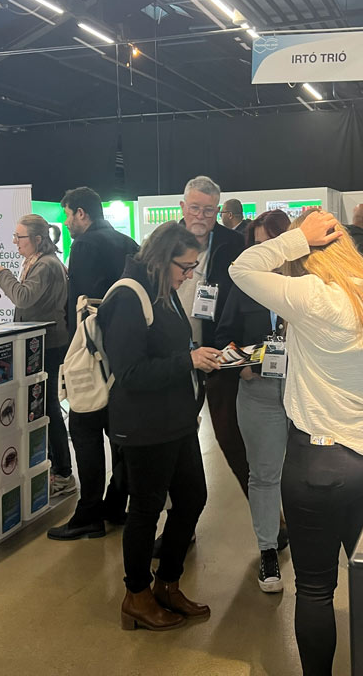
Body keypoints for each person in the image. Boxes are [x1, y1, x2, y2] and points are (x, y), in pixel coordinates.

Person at [229, 209, 363, 675]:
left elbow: (242, 268)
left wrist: (298, 240)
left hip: (317, 462)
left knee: (314, 590)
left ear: (310, 253)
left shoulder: (310, 296)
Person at [98, 222, 221, 632]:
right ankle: (136, 595)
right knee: (146, 510)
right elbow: (130, 372)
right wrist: (188, 361)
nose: (189, 275)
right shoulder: (128, 296)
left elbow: (171, 348)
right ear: (161, 259)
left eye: (193, 267)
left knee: (193, 498)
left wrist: (197, 358)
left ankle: (168, 584)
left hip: (176, 420)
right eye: (185, 267)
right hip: (144, 426)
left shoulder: (163, 292)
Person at [48, 187, 139, 539]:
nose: (67, 223)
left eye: (68, 215)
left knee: (84, 431)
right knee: (119, 435)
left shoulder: (85, 245)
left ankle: (88, 513)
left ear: (82, 213)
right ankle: (115, 504)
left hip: (92, 353)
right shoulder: (127, 242)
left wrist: (75, 355)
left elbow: (82, 307)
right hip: (123, 354)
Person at [214, 210, 292, 594]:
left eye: (272, 243)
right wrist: (242, 368)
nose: (265, 252)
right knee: (263, 474)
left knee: (307, 473)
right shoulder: (243, 287)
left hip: (304, 391)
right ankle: (267, 550)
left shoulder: (307, 284)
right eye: (258, 245)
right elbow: (223, 338)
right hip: (259, 392)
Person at [0, 215, 74, 497]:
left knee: (48, 408)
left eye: (19, 237)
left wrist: (2, 273)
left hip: (48, 344)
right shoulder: (39, 262)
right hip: (43, 342)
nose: (15, 242)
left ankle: (63, 473)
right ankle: (56, 468)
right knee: (44, 406)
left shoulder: (45, 265)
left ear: (37, 239)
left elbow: (23, 297)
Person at [177, 176, 249, 498]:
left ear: (218, 211)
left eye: (209, 210)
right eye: (195, 208)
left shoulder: (233, 244)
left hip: (220, 356)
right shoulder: (166, 241)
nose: (201, 216)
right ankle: (181, 511)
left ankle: (266, 514)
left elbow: (245, 299)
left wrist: (239, 354)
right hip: (178, 356)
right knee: (177, 435)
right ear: (183, 207)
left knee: (232, 436)